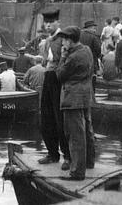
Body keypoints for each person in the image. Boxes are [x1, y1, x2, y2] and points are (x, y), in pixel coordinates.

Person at [54, 26, 95, 181]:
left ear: (70, 40)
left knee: (75, 135)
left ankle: (77, 172)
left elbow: (59, 75)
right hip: (85, 96)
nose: (63, 42)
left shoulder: (72, 57)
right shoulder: (87, 50)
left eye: (64, 39)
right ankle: (89, 162)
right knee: (87, 131)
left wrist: (63, 56)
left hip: (73, 99)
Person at [37, 9, 70, 170]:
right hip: (48, 77)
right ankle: (52, 153)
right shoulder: (49, 40)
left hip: (57, 78)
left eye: (51, 23)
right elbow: (45, 61)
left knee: (60, 119)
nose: (48, 25)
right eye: (46, 23)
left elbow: (65, 60)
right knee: (46, 117)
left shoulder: (63, 39)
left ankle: (68, 156)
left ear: (58, 23)